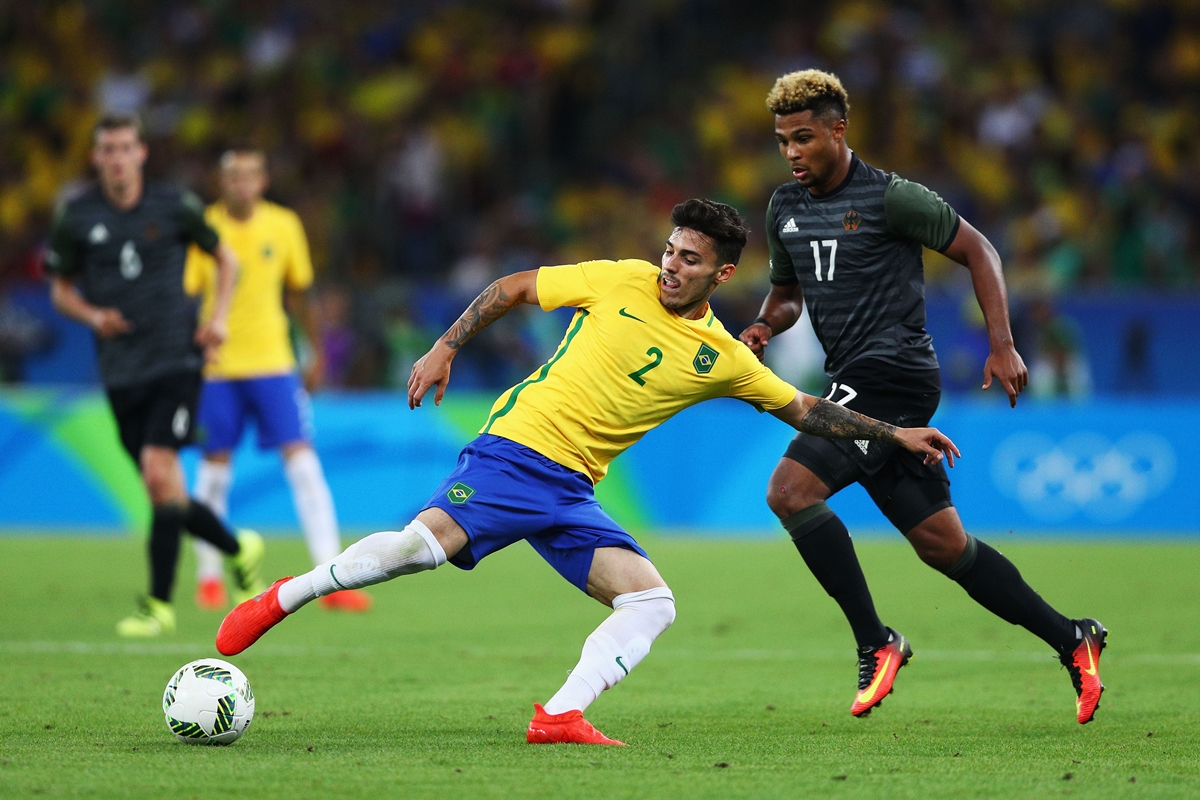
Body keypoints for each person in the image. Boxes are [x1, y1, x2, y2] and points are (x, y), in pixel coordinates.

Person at [215, 199, 959, 745]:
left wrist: (894, 433)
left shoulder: (725, 357)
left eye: (691, 260)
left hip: (571, 490)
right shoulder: (621, 278)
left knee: (652, 603)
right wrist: (445, 346)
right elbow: (511, 289)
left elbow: (804, 409)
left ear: (723, 273)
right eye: (670, 250)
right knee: (418, 550)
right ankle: (288, 593)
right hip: (517, 451)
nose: (672, 265)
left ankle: (560, 714)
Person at [739, 70, 1106, 724]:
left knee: (790, 491)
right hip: (853, 377)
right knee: (944, 545)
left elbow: (980, 249)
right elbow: (790, 292)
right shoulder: (784, 207)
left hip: (895, 371)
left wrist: (1002, 343)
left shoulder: (891, 198)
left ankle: (875, 642)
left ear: (837, 130)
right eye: (781, 141)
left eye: (803, 137)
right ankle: (1071, 637)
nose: (791, 151)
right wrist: (768, 322)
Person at [45, 114, 265, 637]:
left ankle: (157, 606)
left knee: (156, 467)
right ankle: (239, 548)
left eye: (125, 147)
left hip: (177, 360)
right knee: (163, 488)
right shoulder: (76, 216)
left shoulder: (174, 205)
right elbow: (60, 290)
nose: (117, 157)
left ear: (141, 153)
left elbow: (226, 259)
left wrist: (216, 320)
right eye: (107, 149)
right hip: (121, 371)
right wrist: (94, 316)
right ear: (96, 157)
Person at [184, 148, 368, 612]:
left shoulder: (284, 225)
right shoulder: (201, 227)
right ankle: (208, 579)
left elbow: (300, 293)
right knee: (213, 472)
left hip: (273, 362)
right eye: (232, 175)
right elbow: (187, 297)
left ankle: (332, 579)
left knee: (304, 466)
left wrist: (318, 352)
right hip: (218, 367)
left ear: (263, 180)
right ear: (220, 181)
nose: (241, 183)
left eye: (249, 175)